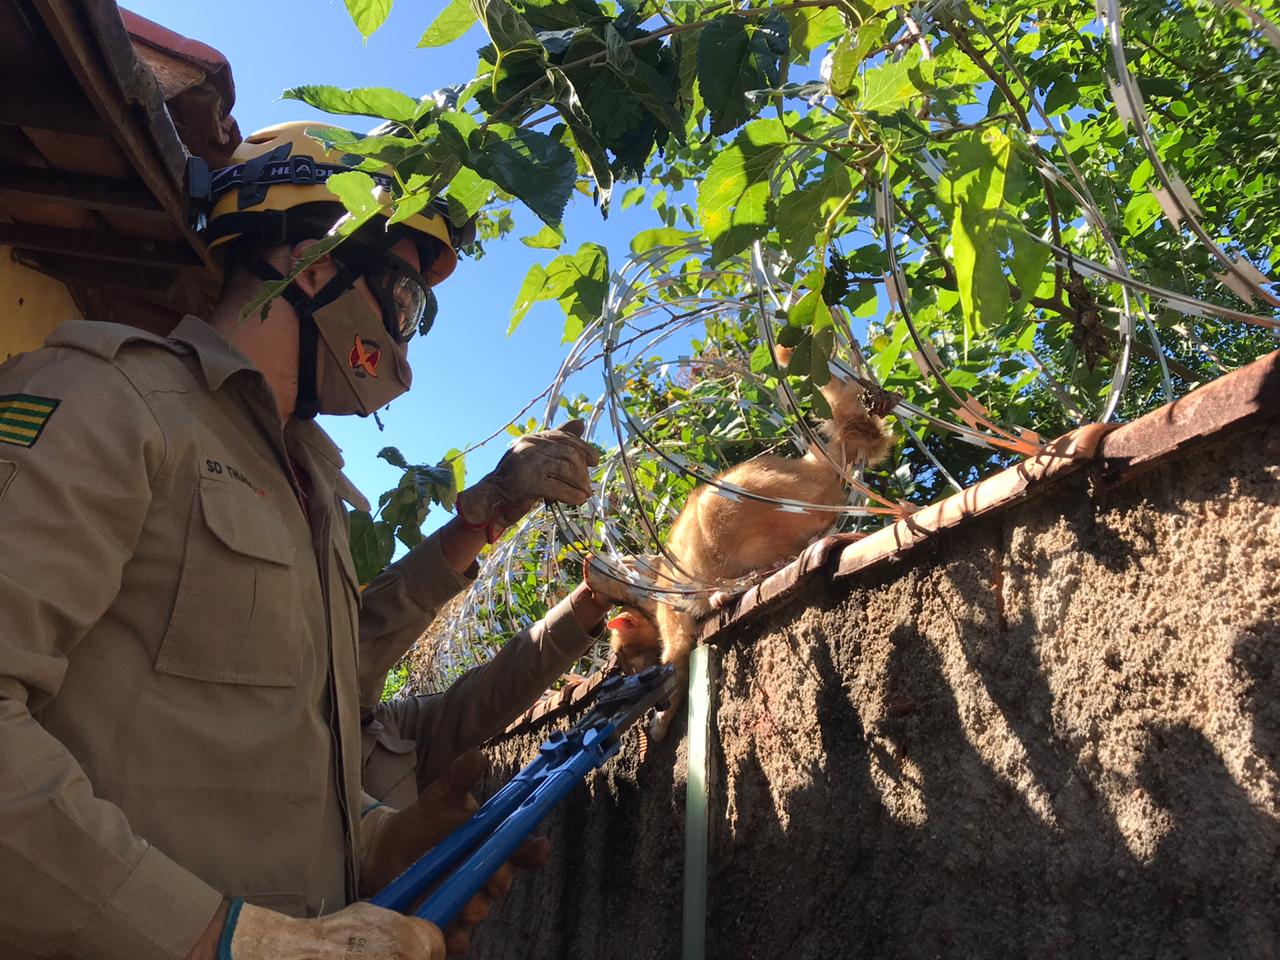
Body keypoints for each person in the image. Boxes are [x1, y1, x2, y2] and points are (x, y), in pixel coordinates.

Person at [0, 122, 618, 960]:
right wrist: (226, 939)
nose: (404, 338)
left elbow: (266, 755)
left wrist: (380, 844)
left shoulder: (309, 488)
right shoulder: (111, 404)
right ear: (315, 262)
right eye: (406, 299)